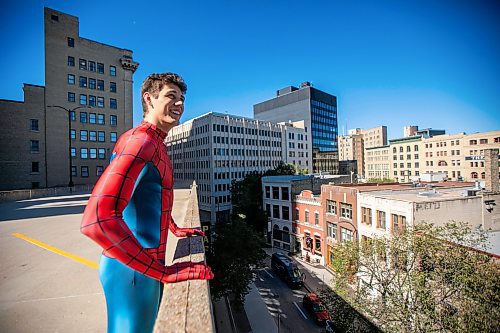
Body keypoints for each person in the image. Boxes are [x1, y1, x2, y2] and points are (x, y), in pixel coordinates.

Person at [81, 73, 214, 333]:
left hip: (142, 264)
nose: (179, 104)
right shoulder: (140, 142)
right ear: (149, 99)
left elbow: (146, 196)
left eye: (182, 99)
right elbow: (97, 219)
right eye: (170, 96)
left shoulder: (156, 143)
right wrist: (161, 272)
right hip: (131, 267)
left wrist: (174, 228)